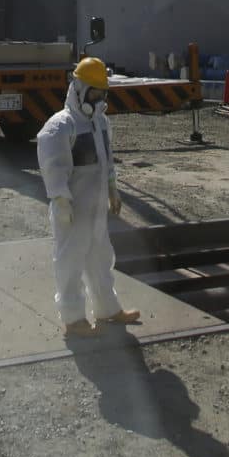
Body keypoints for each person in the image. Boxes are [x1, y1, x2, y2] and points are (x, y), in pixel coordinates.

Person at [36, 56, 140, 337]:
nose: (98, 99)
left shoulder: (101, 122)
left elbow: (106, 160)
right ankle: (73, 319)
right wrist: (60, 201)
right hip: (72, 209)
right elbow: (53, 168)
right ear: (79, 89)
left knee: (101, 259)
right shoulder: (60, 126)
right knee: (69, 262)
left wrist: (113, 189)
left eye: (102, 94)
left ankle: (108, 309)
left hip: (95, 210)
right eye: (93, 93)